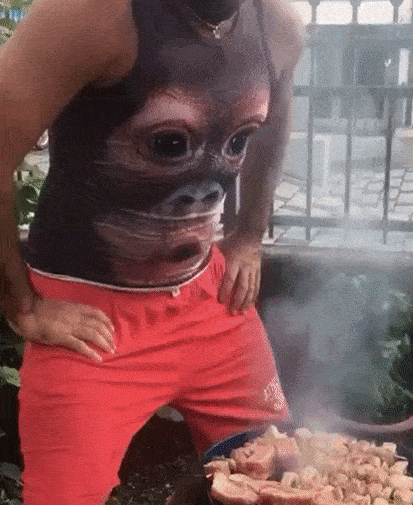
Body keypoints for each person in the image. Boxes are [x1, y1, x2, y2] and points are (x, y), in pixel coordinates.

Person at [0, 0, 304, 503]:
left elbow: (272, 123)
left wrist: (250, 235)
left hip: (211, 301)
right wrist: (23, 306)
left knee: (282, 479)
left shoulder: (277, 22)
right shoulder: (93, 15)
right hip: (90, 322)